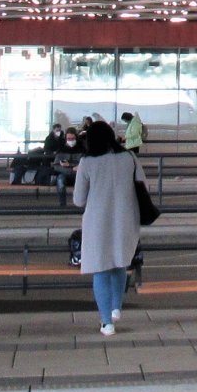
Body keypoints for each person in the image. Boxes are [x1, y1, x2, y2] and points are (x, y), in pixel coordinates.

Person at [71, 118, 141, 336]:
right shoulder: (129, 158)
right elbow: (142, 186)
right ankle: (116, 307)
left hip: (98, 221)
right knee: (120, 263)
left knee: (100, 269)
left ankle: (106, 323)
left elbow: (78, 199)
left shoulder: (87, 163)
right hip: (126, 218)